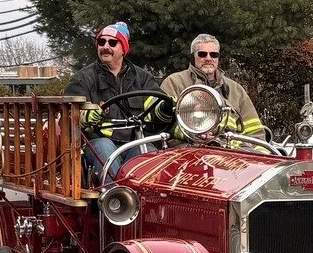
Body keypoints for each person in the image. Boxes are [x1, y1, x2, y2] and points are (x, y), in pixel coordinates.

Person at [66, 23, 163, 183]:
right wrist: (87, 115)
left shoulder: (143, 78)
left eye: (112, 43)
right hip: (97, 142)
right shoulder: (82, 78)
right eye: (101, 42)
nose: (105, 47)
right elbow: (71, 111)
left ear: (124, 48)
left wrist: (167, 108)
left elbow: (159, 105)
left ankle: (141, 204)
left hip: (135, 142)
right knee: (105, 147)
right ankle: (114, 202)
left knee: (148, 154)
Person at [162, 34, 266, 138]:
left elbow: (256, 132)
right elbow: (164, 122)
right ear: (193, 57)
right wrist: (192, 134)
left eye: (213, 55)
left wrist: (257, 152)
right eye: (202, 54)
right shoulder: (174, 82)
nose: (208, 58)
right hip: (191, 148)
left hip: (234, 150)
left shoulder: (236, 89)